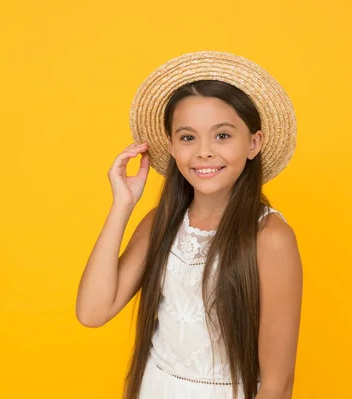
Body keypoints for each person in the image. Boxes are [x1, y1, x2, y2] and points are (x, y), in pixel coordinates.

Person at [76, 51, 303, 399]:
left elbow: (277, 384)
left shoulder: (269, 237)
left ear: (253, 143)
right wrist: (123, 205)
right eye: (187, 137)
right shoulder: (160, 224)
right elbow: (92, 312)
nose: (204, 152)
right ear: (171, 146)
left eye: (222, 136)